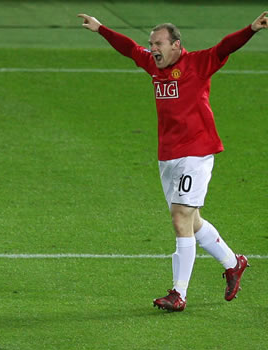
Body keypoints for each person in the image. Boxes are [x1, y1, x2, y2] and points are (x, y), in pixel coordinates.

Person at [78, 12, 267, 311]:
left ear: (177, 45)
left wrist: (252, 29)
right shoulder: (154, 66)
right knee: (193, 221)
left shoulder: (197, 64)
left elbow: (224, 48)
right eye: (151, 43)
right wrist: (101, 29)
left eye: (159, 43)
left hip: (197, 151)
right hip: (168, 156)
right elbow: (129, 49)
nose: (153, 49)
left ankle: (179, 294)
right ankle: (234, 263)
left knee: (180, 218)